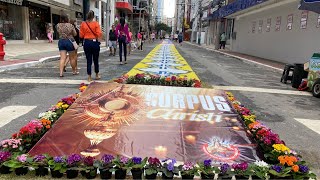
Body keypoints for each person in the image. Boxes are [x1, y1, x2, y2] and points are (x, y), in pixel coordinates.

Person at [80, 10, 102, 82]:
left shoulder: (83, 24)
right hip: (94, 42)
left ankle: (89, 77)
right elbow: (99, 34)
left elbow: (81, 35)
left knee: (88, 60)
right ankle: (97, 74)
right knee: (96, 59)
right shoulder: (96, 24)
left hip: (87, 43)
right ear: (93, 16)